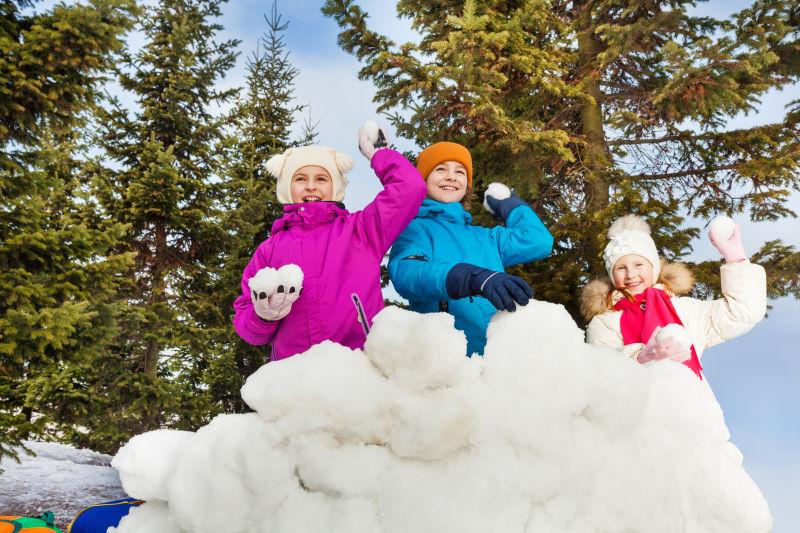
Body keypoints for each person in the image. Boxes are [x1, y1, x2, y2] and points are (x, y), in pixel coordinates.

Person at [233, 122, 427, 361]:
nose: (311, 186)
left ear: (335, 186)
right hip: (294, 375)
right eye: (300, 179)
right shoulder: (269, 250)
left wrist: (379, 153)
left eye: (321, 179)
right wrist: (263, 315)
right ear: (287, 187)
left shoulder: (362, 231)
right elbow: (248, 329)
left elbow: (410, 188)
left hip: (359, 367)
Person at [388, 141, 554, 356]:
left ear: (467, 185)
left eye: (460, 171)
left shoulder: (486, 238)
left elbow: (538, 240)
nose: (451, 177)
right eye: (440, 169)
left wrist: (508, 205)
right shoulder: (415, 229)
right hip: (449, 358)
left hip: (497, 356)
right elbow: (408, 274)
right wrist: (470, 277)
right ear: (423, 179)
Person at [580, 214, 767, 379]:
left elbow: (743, 313)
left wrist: (736, 258)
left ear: (653, 268)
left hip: (688, 404)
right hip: (635, 407)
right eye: (621, 268)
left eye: (638, 265)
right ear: (612, 275)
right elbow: (602, 370)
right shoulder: (604, 322)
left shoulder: (685, 310)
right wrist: (642, 357)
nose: (631, 274)